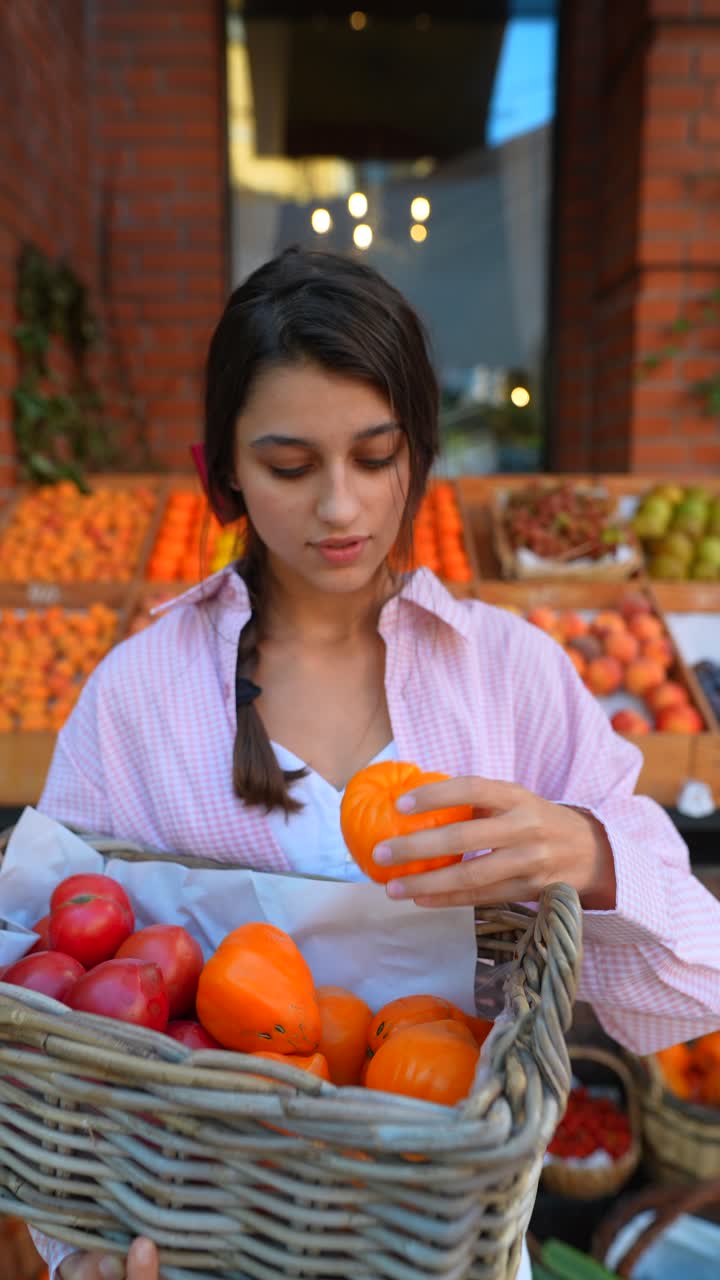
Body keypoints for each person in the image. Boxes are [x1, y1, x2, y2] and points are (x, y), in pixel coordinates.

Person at [28, 247, 720, 1280]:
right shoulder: (140, 696)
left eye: (376, 455)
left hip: (445, 1240)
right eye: (290, 465)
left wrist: (589, 848)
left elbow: (693, 978)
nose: (341, 508)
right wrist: (77, 1244)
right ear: (216, 469)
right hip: (201, 1234)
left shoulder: (511, 676)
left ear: (421, 451)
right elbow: (48, 1015)